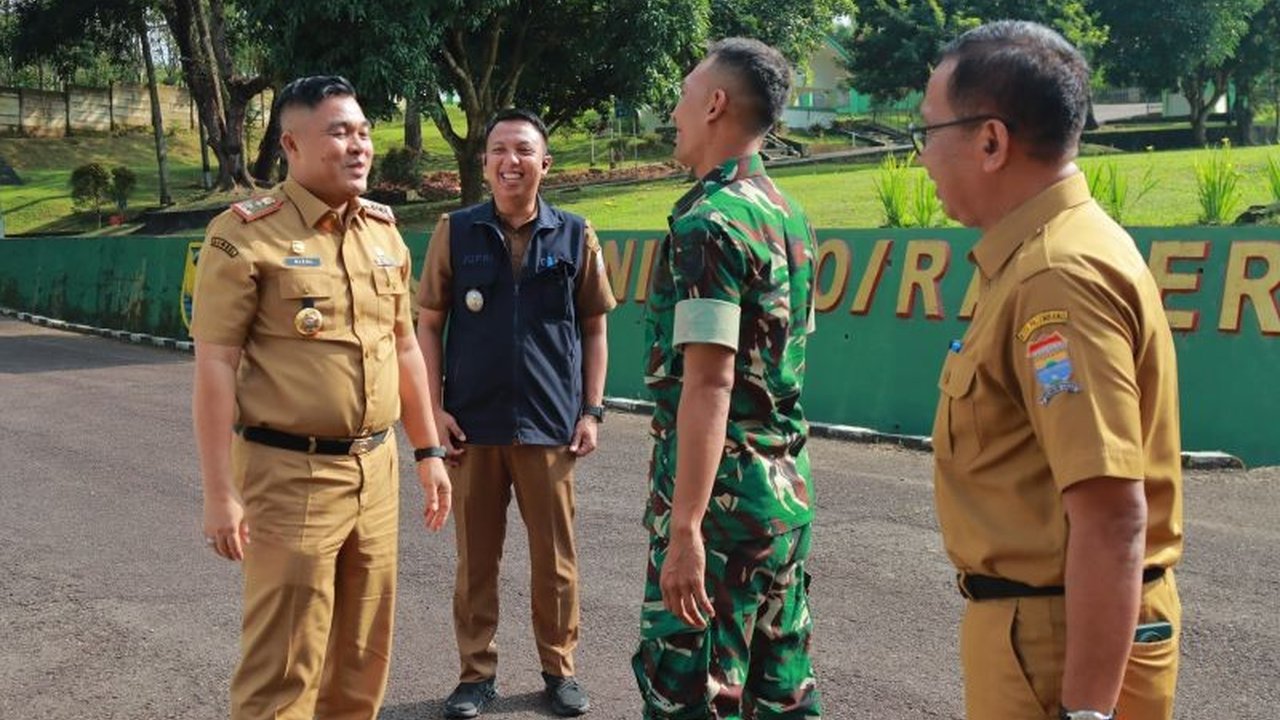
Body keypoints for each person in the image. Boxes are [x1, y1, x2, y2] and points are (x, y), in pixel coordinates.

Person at [918, 21, 1184, 720]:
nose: (922, 157)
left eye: (928, 131)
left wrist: (1088, 713)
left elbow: (1110, 518)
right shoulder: (1038, 254)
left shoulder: (1056, 277)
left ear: (991, 141)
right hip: (1038, 632)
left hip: (1059, 647)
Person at [190, 75, 452, 720]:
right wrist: (219, 490)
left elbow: (406, 347)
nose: (358, 145)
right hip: (291, 473)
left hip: (376, 469)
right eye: (339, 132)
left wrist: (428, 449)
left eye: (362, 131)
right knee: (284, 666)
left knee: (363, 660)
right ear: (291, 144)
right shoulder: (245, 235)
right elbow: (216, 365)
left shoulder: (383, 231)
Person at [631, 38, 821, 719]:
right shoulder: (786, 214)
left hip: (722, 508)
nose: (674, 111)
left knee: (694, 689)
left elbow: (708, 383)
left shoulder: (709, 224)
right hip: (782, 493)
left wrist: (685, 529)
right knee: (779, 689)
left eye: (683, 95)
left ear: (715, 104)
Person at [415, 108, 616, 718]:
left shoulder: (576, 234)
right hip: (472, 429)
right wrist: (433, 411)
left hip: (551, 427)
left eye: (524, 150)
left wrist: (592, 411)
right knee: (476, 559)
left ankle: (560, 670)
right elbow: (427, 326)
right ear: (485, 163)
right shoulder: (456, 231)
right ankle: (476, 676)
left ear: (544, 164)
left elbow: (595, 328)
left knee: (555, 560)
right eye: (499, 150)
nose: (511, 161)